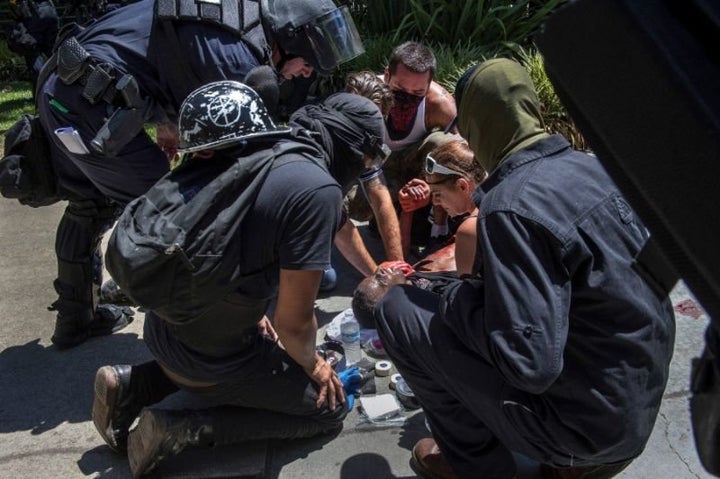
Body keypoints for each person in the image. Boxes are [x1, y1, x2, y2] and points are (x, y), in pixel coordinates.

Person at [373, 58, 676, 479]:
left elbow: (527, 363)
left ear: (476, 126)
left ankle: (478, 466)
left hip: (582, 435)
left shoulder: (510, 205)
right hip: (632, 407)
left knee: (398, 309)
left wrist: (458, 297)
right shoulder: (598, 168)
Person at [91, 83, 390, 477]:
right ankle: (181, 429)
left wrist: (378, 274)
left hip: (166, 323)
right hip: (210, 359)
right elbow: (294, 325)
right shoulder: (316, 189)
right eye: (367, 162)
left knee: (244, 348)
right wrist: (315, 366)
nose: (367, 171)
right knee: (329, 409)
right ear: (352, 149)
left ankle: (133, 384)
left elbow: (231, 239)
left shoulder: (267, 147)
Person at [29, 0, 365, 349]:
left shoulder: (236, 19)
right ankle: (200, 327)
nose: (307, 73)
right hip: (89, 103)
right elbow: (243, 168)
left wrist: (166, 122)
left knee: (90, 201)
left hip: (67, 88)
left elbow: (164, 57)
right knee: (171, 210)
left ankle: (76, 318)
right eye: (307, 62)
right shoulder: (236, 60)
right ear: (288, 40)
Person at [379, 41, 459, 250]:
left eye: (417, 94)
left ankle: (438, 231)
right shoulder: (369, 97)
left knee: (447, 145)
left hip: (417, 170)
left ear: (430, 84)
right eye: (399, 89)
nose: (406, 98)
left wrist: (435, 186)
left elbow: (465, 157)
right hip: (378, 168)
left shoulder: (440, 104)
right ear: (387, 75)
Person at [398, 139, 486, 273]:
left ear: (462, 186)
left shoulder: (470, 229)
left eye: (438, 194)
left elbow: (467, 290)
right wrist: (408, 210)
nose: (435, 202)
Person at [343, 70, 403, 263]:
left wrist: (397, 265)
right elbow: (336, 221)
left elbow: (380, 198)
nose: (363, 121)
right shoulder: (326, 136)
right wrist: (377, 274)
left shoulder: (368, 142)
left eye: (372, 116)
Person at [4, 0, 59, 98]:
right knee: (54, 55)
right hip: (48, 10)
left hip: (31, 14)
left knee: (33, 55)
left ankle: (41, 96)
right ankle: (60, 91)